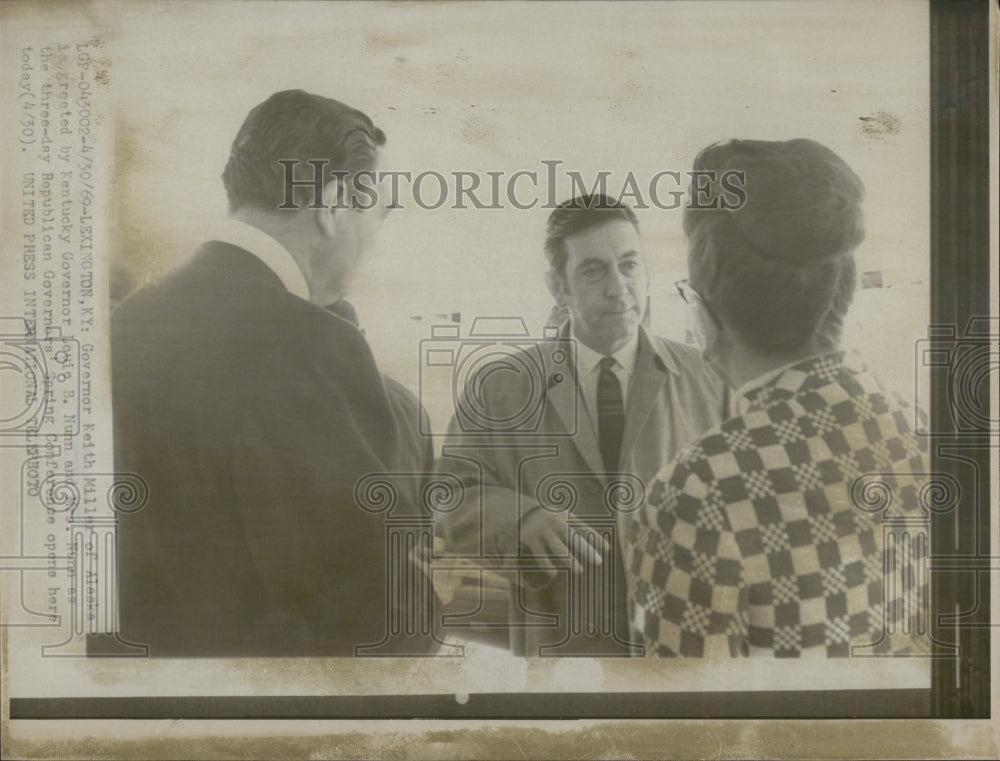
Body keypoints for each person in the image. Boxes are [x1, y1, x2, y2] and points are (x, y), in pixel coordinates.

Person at [111, 90, 429, 656]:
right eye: (379, 211)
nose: (376, 240)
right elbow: (382, 620)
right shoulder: (315, 342)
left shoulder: (120, 326)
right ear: (333, 204)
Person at [625, 138, 929, 657]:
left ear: (701, 316)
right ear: (842, 289)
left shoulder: (700, 490)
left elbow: (677, 721)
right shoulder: (922, 430)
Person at [436, 194, 727, 656]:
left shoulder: (711, 378)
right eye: (593, 271)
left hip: (686, 654)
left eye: (629, 266)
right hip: (561, 659)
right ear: (558, 287)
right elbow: (447, 497)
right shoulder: (500, 389)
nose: (618, 288)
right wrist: (521, 518)